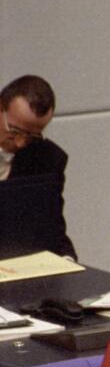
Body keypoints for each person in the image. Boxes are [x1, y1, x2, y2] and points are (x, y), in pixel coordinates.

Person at [0, 75, 74, 258]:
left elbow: (52, 230)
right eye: (14, 131)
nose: (21, 143)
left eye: (32, 136)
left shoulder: (49, 159)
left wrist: (66, 259)